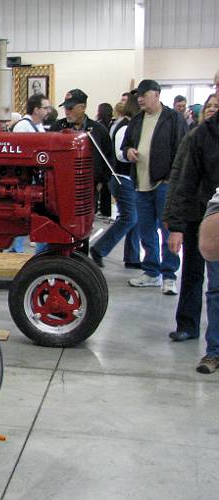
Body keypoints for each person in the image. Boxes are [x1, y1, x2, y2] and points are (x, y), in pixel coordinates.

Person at [162, 94, 219, 350]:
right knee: (194, 273)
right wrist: (175, 224)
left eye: (217, 106)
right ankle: (187, 324)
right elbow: (180, 181)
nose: (213, 110)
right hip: (199, 215)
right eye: (210, 106)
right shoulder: (196, 137)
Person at [120, 79, 187, 293]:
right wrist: (129, 151)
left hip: (164, 184)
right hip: (141, 184)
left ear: (156, 94)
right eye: (137, 94)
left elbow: (182, 150)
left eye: (144, 93)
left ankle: (169, 275)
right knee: (146, 229)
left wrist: (172, 180)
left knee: (167, 230)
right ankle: (151, 272)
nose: (139, 98)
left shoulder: (173, 118)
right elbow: (126, 145)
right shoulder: (137, 120)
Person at [90, 93, 143, 268]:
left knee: (133, 218)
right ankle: (100, 247)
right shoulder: (124, 127)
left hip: (128, 178)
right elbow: (120, 154)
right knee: (129, 218)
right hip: (122, 178)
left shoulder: (128, 125)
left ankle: (133, 257)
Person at [50, 89, 113, 231]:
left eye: (70, 108)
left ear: (83, 107)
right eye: (65, 108)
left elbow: (108, 159)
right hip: (61, 189)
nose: (67, 111)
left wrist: (100, 182)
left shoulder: (98, 131)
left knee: (83, 229)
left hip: (88, 190)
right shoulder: (57, 128)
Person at [8, 94, 49, 253]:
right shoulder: (23, 127)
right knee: (25, 215)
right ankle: (16, 249)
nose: (48, 111)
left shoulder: (38, 127)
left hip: (36, 178)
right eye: (45, 107)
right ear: (36, 109)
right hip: (26, 179)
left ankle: (38, 249)